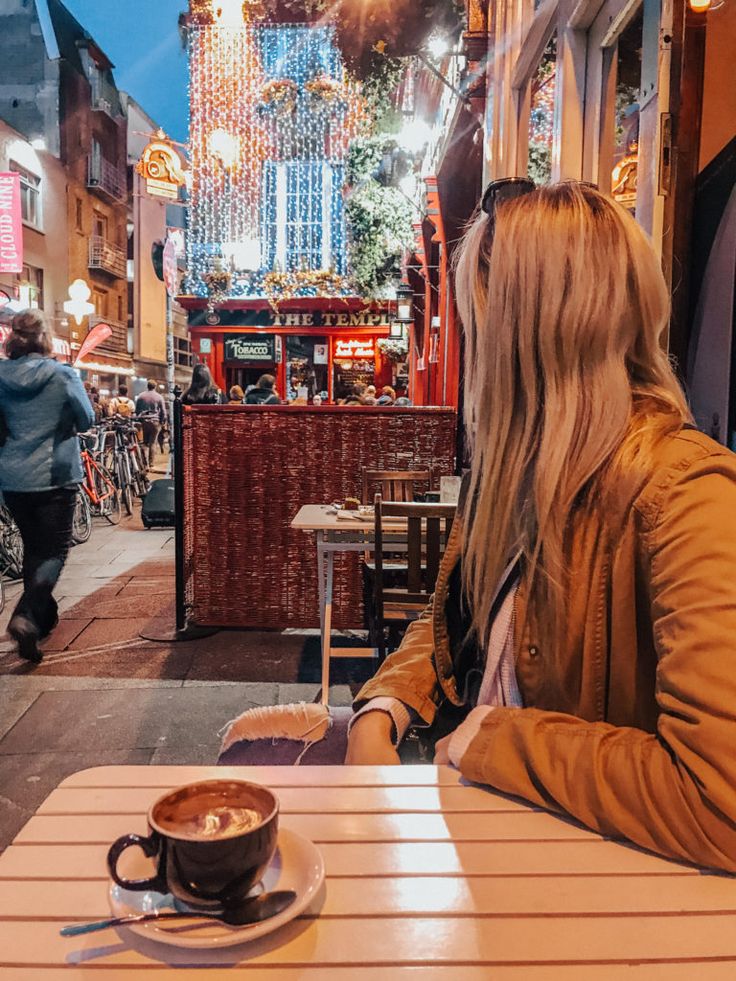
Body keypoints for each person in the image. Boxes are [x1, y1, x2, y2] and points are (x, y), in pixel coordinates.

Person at [345, 180, 736, 873]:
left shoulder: (685, 492)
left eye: (480, 322)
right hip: (499, 861)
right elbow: (449, 627)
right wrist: (382, 708)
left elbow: (721, 799)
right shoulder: (511, 476)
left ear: (535, 334)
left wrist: (497, 740)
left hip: (601, 904)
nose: (473, 354)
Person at [0, 310, 95, 663]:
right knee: (55, 551)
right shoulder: (63, 374)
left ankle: (43, 617)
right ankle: (25, 616)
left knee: (34, 549)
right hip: (55, 475)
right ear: (44, 338)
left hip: (12, 477)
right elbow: (87, 419)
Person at [135, 379, 167, 470]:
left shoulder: (141, 396)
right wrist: (162, 421)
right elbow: (163, 412)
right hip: (155, 422)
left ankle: (144, 463)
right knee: (153, 442)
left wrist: (140, 420)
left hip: (144, 421)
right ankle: (151, 463)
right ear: (155, 387)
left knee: (145, 442)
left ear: (147, 386)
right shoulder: (159, 397)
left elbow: (137, 410)